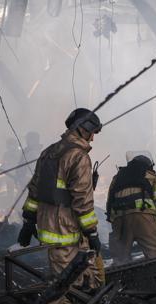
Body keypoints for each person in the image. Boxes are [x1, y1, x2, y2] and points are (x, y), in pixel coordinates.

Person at [17, 108, 105, 290]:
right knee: (65, 285)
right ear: (81, 129)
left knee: (87, 275)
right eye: (91, 132)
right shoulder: (78, 157)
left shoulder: (49, 152)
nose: (92, 138)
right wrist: (92, 232)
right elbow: (82, 200)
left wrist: (29, 220)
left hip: (55, 226)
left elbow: (35, 190)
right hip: (66, 230)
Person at [106, 152, 156, 265]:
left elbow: (109, 202)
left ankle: (120, 280)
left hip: (120, 219)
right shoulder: (152, 177)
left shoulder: (117, 178)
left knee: (121, 259)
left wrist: (115, 225)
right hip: (143, 217)